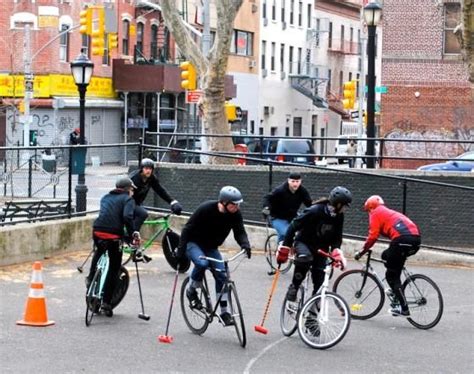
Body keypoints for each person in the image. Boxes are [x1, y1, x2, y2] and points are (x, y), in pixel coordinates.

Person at [178, 186, 252, 326]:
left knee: (222, 276)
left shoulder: (235, 214)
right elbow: (187, 229)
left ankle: (224, 312)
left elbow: (240, 232)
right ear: (224, 202)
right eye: (234, 204)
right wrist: (181, 251)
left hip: (211, 247)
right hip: (193, 243)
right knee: (202, 264)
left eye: (238, 204)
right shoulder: (206, 209)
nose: (237, 207)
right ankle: (191, 290)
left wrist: (245, 244)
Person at [279, 186, 352, 302]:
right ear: (338, 204)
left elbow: (337, 237)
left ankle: (312, 315)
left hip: (321, 248)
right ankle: (294, 286)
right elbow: (293, 226)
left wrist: (336, 251)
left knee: (320, 282)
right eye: (344, 206)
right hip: (304, 242)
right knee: (305, 258)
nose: (345, 209)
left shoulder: (339, 216)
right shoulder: (315, 210)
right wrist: (286, 246)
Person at [355, 195, 421, 317]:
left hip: (402, 240)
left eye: (368, 211)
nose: (368, 214)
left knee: (391, 276)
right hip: (416, 240)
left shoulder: (375, 213)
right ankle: (396, 290)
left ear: (370, 207)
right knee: (386, 255)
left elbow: (373, 236)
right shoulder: (388, 212)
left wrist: (362, 252)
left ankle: (404, 308)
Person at [86, 177, 139, 317]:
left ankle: (91, 277)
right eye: (132, 189)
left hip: (97, 230)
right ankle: (106, 303)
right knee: (114, 267)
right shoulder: (128, 200)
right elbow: (127, 217)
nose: (133, 192)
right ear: (128, 189)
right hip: (113, 235)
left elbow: (109, 215)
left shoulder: (105, 197)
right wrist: (133, 233)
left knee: (99, 251)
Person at [129, 158, 182, 231]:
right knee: (142, 214)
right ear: (142, 169)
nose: (148, 171)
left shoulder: (151, 178)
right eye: (146, 168)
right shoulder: (134, 179)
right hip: (127, 201)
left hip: (138, 202)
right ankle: (133, 237)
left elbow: (160, 190)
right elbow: (125, 193)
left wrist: (172, 202)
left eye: (150, 169)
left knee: (138, 218)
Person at [262, 172, 312, 243]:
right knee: (285, 233)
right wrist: (266, 208)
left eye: (297, 181)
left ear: (300, 181)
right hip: (277, 217)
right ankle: (280, 250)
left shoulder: (302, 191)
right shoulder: (280, 190)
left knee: (305, 231)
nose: (295, 184)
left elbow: (309, 203)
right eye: (293, 181)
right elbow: (268, 198)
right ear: (288, 181)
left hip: (292, 216)